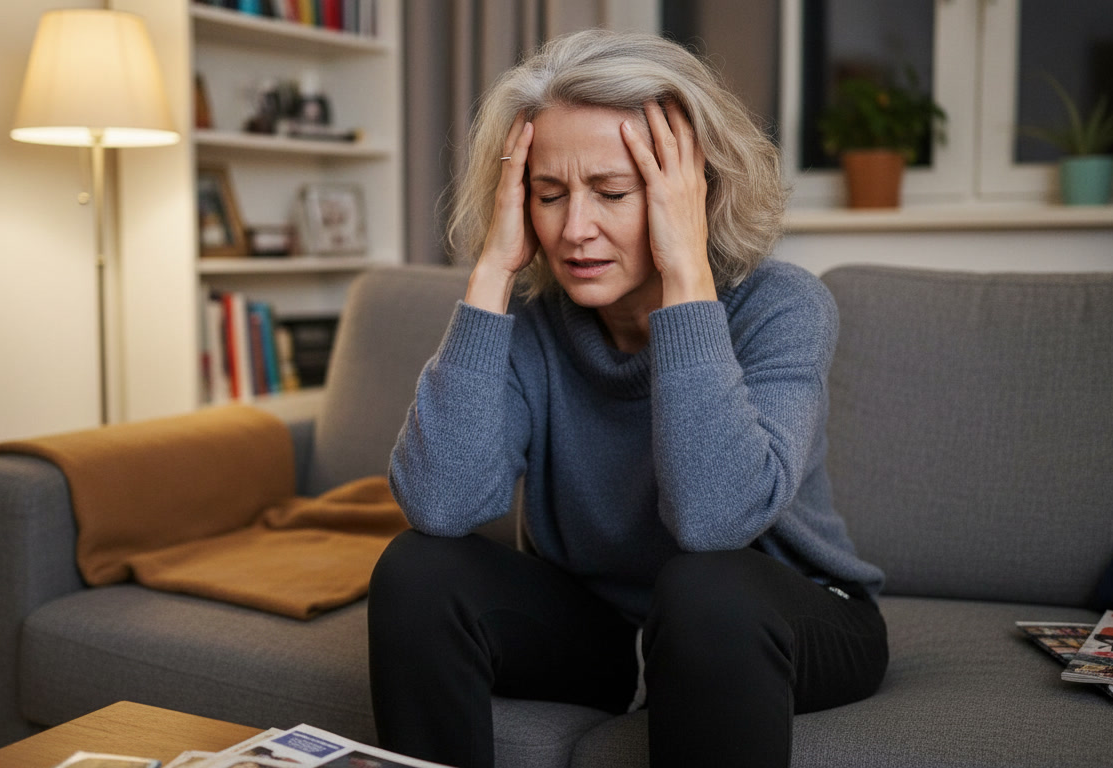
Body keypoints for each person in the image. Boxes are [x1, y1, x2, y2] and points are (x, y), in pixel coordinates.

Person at [368, 29, 888, 768]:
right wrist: (491, 273)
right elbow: (441, 503)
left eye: (612, 193)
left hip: (778, 617)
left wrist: (686, 279)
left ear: (691, 190)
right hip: (611, 633)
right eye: (548, 195)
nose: (575, 230)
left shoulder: (783, 306)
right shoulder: (529, 325)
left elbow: (716, 520)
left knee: (705, 587)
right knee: (417, 570)